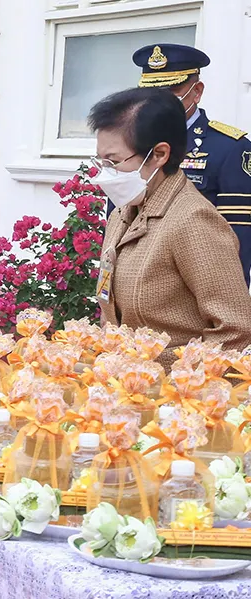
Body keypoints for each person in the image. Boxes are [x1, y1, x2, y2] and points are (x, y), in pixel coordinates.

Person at [89, 88, 251, 366]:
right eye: (100, 161)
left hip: (173, 396)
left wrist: (172, 381)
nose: (104, 173)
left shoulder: (193, 221)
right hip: (122, 388)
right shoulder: (123, 212)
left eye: (113, 162)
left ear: (160, 154)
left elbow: (235, 333)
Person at [133, 43, 251, 285]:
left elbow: (237, 236)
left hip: (193, 283)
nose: (160, 102)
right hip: (136, 280)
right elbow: (117, 218)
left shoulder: (230, 148)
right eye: (152, 93)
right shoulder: (131, 144)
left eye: (172, 90)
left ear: (196, 91)